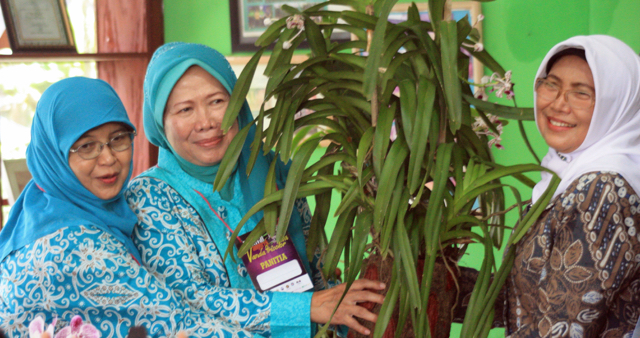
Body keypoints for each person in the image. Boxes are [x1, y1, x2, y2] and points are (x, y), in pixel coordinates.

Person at [125, 42, 385, 338]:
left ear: (238, 104)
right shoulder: (149, 196)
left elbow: (316, 271)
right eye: (185, 109)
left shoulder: (273, 171)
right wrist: (305, 307)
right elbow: (190, 300)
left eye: (218, 101)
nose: (207, 122)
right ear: (160, 123)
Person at [0, 77, 258, 337]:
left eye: (118, 138)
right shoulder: (72, 248)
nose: (109, 158)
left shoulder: (42, 204)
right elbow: (175, 324)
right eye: (87, 146)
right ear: (53, 153)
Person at [454, 35, 640, 337]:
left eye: (582, 93)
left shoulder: (603, 189)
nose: (558, 104)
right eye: (551, 84)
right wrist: (431, 281)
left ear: (617, 104)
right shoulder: (568, 177)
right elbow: (528, 299)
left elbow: (560, 328)